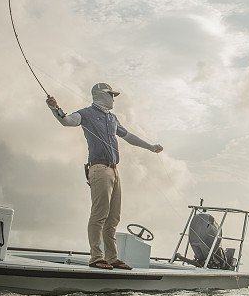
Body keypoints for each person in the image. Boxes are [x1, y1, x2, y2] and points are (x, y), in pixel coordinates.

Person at [46, 82, 163, 270]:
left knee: (113, 217)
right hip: (99, 168)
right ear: (101, 95)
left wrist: (150, 147)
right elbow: (66, 120)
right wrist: (54, 108)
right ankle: (96, 257)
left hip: (114, 169)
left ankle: (111, 258)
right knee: (99, 214)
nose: (113, 98)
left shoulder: (113, 118)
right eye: (111, 95)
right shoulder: (86, 114)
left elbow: (128, 137)